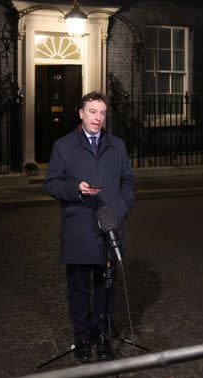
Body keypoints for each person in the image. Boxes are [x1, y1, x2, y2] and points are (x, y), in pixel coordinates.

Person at [44, 91, 136, 362]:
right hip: (79, 229)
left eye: (102, 113)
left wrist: (118, 210)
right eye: (92, 112)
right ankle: (83, 338)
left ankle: (104, 336)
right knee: (79, 289)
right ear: (81, 113)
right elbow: (50, 183)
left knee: (106, 288)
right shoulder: (63, 146)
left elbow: (128, 182)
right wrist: (75, 189)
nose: (98, 118)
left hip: (109, 228)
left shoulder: (117, 145)